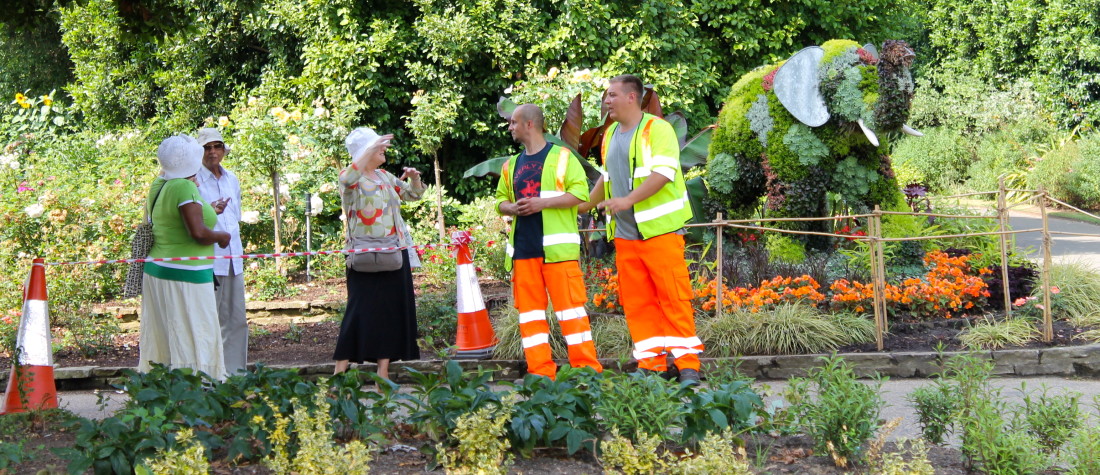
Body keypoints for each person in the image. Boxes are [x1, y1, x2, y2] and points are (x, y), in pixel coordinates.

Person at [581, 74, 703, 383]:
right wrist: (580, 206)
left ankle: (688, 366)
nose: (606, 101)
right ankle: (651, 366)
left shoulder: (657, 129)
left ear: (631, 97)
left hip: (660, 233)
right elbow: (605, 180)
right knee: (638, 304)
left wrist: (627, 200)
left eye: (612, 95)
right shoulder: (609, 136)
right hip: (626, 238)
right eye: (606, 96)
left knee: (673, 299)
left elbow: (662, 174)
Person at [494, 104, 603, 379]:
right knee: (530, 317)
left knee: (572, 313)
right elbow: (500, 201)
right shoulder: (511, 165)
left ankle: (586, 372)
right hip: (523, 252)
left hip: (558, 254)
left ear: (530, 124)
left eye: (514, 123)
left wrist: (542, 203)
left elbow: (580, 196)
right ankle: (540, 374)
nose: (511, 128)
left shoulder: (563, 157)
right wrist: (511, 208)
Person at [333, 127, 425, 378]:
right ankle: (339, 374)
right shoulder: (351, 179)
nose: (384, 149)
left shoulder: (385, 177)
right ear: (366, 151)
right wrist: (371, 147)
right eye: (377, 146)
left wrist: (413, 178)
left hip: (394, 253)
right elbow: (346, 179)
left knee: (390, 313)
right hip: (363, 256)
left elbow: (414, 194)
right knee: (358, 312)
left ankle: (382, 374)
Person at [139, 134, 231, 380]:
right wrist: (222, 236)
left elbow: (174, 220)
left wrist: (209, 210)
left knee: (166, 336)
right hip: (186, 275)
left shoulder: (161, 183)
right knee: (196, 333)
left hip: (159, 269)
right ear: (193, 159)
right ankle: (198, 388)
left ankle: (162, 386)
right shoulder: (184, 186)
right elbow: (198, 233)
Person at [194, 128, 247, 376]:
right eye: (207, 147)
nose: (213, 152)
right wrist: (210, 210)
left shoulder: (231, 179)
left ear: (224, 150)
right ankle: (209, 376)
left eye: (217, 146)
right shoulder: (192, 181)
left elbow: (234, 218)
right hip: (208, 261)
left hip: (233, 259)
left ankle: (235, 377)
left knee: (237, 322)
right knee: (208, 323)